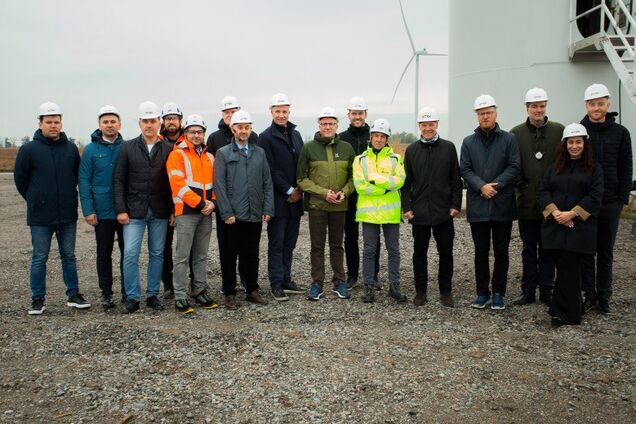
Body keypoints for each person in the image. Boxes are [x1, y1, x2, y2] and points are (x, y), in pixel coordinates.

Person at [14, 101, 90, 315]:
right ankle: (37, 298)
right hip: (40, 215)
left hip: (66, 213)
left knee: (69, 255)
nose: (53, 125)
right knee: (40, 257)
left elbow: (76, 175)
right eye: (49, 122)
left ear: (61, 123)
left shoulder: (70, 149)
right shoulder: (29, 149)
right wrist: (35, 199)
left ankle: (73, 294)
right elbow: (21, 180)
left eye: (56, 122)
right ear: (40, 123)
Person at [538, 123, 603, 327]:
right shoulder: (555, 167)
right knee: (565, 270)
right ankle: (575, 309)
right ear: (564, 145)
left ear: (585, 144)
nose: (574, 146)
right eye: (571, 142)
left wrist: (572, 214)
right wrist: (555, 212)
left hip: (579, 229)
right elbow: (543, 191)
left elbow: (595, 197)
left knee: (568, 269)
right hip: (556, 226)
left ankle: (561, 313)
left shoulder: (594, 169)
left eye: (578, 142)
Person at [460, 94, 520, 310]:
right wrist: (481, 186)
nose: (485, 116)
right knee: (481, 251)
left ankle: (498, 293)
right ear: (477, 116)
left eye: (488, 112)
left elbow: (514, 166)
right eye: (481, 113)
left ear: (496, 113)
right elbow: (465, 169)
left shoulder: (509, 139)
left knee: (502, 251)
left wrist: (496, 185)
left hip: (502, 203)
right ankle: (482, 292)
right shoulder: (469, 142)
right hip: (479, 204)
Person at [113, 101, 174, 314]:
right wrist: (121, 209)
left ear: (159, 123)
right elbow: (118, 180)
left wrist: (173, 210)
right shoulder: (127, 147)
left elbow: (173, 183)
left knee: (157, 253)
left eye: (153, 121)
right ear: (139, 123)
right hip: (134, 211)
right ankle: (132, 297)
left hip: (160, 210)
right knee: (130, 253)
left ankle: (152, 295)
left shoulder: (168, 149)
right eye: (145, 121)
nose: (149, 125)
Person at [580, 83, 633, 315]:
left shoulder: (621, 133)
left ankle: (604, 296)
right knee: (586, 251)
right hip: (586, 202)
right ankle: (588, 295)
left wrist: (622, 198)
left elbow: (626, 165)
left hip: (611, 202)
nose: (596, 108)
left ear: (608, 104)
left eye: (600, 103)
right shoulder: (580, 131)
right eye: (592, 104)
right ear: (586, 106)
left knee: (606, 252)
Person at [402, 107, 462, 307]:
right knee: (419, 254)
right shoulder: (411, 150)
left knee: (446, 253)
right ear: (419, 126)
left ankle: (446, 291)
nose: (427, 128)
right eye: (424, 125)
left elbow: (455, 178)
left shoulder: (448, 148)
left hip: (443, 211)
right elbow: (406, 183)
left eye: (431, 124)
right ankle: (421, 291)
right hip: (419, 212)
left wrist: (455, 205)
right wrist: (407, 208)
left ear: (437, 124)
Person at [214, 110, 273, 310]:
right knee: (229, 254)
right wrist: (226, 213)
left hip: (254, 212)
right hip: (233, 215)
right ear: (233, 129)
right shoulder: (223, 153)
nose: (244, 131)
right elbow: (219, 185)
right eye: (240, 127)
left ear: (250, 129)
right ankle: (229, 292)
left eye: (247, 127)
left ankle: (252, 290)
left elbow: (267, 182)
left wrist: (267, 208)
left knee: (252, 253)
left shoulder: (259, 153)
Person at [510, 88, 563, 306]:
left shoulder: (559, 131)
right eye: (534, 106)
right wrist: (520, 186)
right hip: (527, 203)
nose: (538, 110)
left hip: (551, 203)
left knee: (548, 248)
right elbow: (512, 164)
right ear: (527, 108)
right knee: (529, 249)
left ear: (546, 106)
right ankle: (528, 290)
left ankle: (547, 290)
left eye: (541, 106)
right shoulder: (516, 133)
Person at [297, 107, 356, 301]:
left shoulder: (347, 148)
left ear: (337, 125)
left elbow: (354, 177)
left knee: (337, 245)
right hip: (317, 206)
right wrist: (324, 193)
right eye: (324, 123)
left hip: (340, 206)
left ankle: (339, 282)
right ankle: (317, 283)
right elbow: (301, 179)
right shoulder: (309, 148)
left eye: (331, 123)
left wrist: (344, 192)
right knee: (317, 246)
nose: (327, 127)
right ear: (319, 125)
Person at [166, 114, 218, 314]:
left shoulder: (209, 157)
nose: (196, 135)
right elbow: (177, 185)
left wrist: (213, 203)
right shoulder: (177, 155)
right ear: (185, 133)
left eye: (200, 132)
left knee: (201, 256)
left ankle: (199, 291)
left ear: (204, 134)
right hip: (186, 212)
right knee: (182, 256)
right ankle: (180, 296)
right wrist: (201, 203)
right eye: (192, 132)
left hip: (206, 212)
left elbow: (215, 184)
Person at [352, 118, 407, 303]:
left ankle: (394, 286)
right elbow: (360, 186)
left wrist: (374, 178)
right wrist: (385, 187)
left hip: (390, 214)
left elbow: (399, 181)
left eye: (382, 136)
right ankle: (368, 287)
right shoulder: (360, 160)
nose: (378, 139)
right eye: (376, 135)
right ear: (371, 137)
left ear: (387, 139)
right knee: (369, 251)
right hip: (369, 214)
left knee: (394, 250)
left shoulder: (396, 159)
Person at [258, 93, 305, 301]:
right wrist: (289, 190)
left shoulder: (296, 134)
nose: (281, 115)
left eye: (284, 111)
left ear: (289, 111)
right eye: (277, 111)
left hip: (296, 200)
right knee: (276, 244)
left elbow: (302, 164)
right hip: (278, 200)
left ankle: (286, 279)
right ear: (271, 112)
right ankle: (276, 283)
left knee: (290, 243)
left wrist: (300, 188)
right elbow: (270, 169)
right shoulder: (265, 137)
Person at [206, 96, 255, 292]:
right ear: (223, 114)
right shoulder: (214, 138)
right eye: (227, 112)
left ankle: (246, 281)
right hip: (225, 204)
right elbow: (214, 174)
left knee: (248, 248)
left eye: (233, 111)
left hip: (247, 203)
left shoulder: (253, 137)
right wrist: (220, 205)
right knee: (227, 247)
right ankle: (228, 287)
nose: (230, 114)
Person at [78, 105, 126, 309]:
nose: (109, 125)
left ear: (119, 124)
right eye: (105, 122)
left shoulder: (127, 147)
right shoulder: (91, 150)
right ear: (99, 125)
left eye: (113, 121)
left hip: (124, 211)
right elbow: (84, 180)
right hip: (102, 211)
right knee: (104, 253)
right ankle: (106, 293)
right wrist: (88, 210)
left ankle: (127, 292)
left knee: (127, 253)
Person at [339, 96, 380, 288]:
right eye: (354, 113)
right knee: (351, 236)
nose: (357, 116)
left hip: (371, 194)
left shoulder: (375, 137)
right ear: (348, 114)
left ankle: (373, 274)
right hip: (350, 195)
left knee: (373, 237)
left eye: (360, 113)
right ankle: (353, 274)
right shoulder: (341, 138)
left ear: (366, 114)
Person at [159, 102, 184, 300]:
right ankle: (168, 283)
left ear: (180, 120)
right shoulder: (157, 141)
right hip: (162, 200)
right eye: (168, 119)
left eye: (174, 118)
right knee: (164, 246)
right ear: (163, 121)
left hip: (185, 201)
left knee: (186, 245)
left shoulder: (189, 139)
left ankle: (187, 280)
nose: (171, 122)